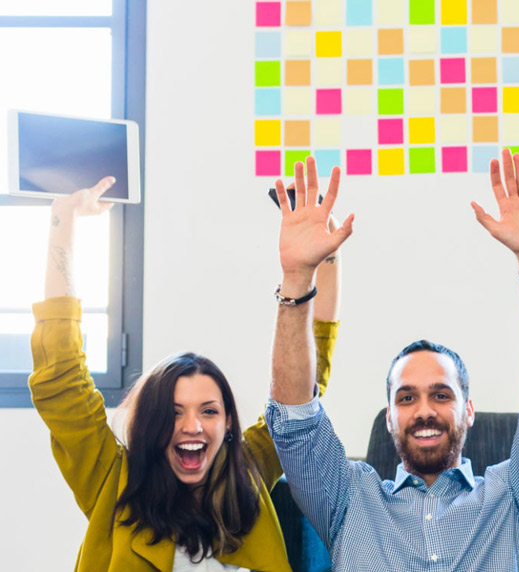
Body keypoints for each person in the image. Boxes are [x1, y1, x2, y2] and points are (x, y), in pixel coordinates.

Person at [266, 151, 519, 571]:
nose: (424, 410)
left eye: (441, 395)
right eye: (407, 398)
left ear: (468, 410)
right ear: (389, 418)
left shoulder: (513, 498)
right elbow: (294, 422)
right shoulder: (348, 500)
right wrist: (297, 278)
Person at [29, 176, 342, 571]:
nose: (192, 426)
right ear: (149, 423)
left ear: (229, 423)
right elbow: (63, 380)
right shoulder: (113, 479)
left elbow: (303, 385)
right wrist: (63, 221)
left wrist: (322, 259)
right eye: (173, 413)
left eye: (208, 411)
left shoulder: (247, 472)